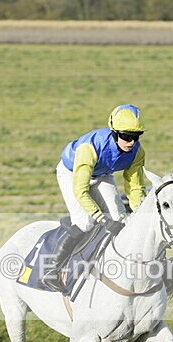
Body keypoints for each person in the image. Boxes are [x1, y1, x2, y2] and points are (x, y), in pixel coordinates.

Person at [41, 104, 147, 292]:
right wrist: (102, 219)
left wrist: (139, 210)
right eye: (126, 136)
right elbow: (81, 190)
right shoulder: (89, 147)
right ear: (114, 133)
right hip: (71, 172)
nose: (131, 142)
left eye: (136, 137)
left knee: (121, 218)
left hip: (101, 174)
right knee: (85, 222)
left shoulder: (137, 153)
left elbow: (135, 186)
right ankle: (50, 269)